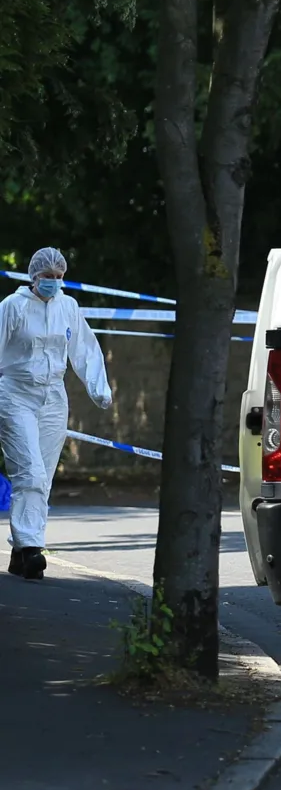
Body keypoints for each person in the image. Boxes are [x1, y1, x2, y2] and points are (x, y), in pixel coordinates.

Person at [2, 248, 111, 580]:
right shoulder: (13, 307)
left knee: (43, 476)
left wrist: (99, 389)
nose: (52, 282)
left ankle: (23, 550)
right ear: (33, 276)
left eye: (58, 276)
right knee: (29, 471)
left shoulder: (68, 307)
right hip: (16, 394)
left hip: (53, 397)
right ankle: (32, 548)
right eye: (47, 276)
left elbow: (84, 349)